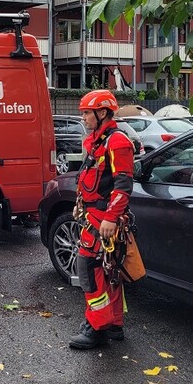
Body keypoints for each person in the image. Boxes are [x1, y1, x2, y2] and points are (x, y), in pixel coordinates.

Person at [69, 89, 135, 350]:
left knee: (90, 270)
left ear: (102, 112)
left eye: (87, 113)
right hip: (94, 215)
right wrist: (79, 205)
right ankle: (114, 325)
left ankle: (96, 328)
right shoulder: (97, 142)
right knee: (109, 273)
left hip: (104, 220)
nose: (84, 117)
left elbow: (123, 186)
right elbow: (89, 178)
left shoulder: (116, 142)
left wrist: (111, 218)